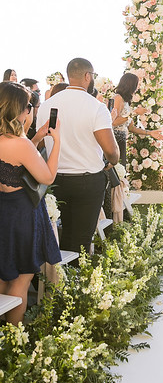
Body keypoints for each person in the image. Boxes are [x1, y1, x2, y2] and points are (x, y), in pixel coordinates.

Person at [37, 57, 119, 255]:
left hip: (54, 179)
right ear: (87, 76)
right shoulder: (96, 107)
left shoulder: (47, 105)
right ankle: (75, 280)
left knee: (57, 232)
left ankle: (57, 278)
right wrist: (112, 161)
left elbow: (40, 143)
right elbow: (111, 150)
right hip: (87, 182)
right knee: (81, 239)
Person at [0, 82, 61, 325]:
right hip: (22, 213)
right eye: (28, 106)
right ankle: (14, 339)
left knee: (3, 275)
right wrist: (57, 142)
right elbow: (47, 176)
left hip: (3, 209)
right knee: (22, 279)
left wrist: (35, 137)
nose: (30, 110)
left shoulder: (16, 142)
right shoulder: (20, 145)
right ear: (18, 109)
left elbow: (16, 162)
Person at [112, 72, 163, 167]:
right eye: (137, 84)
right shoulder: (118, 98)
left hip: (122, 140)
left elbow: (131, 128)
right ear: (130, 85)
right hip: (114, 140)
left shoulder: (126, 101)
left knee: (121, 171)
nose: (138, 87)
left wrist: (150, 133)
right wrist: (134, 112)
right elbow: (113, 122)